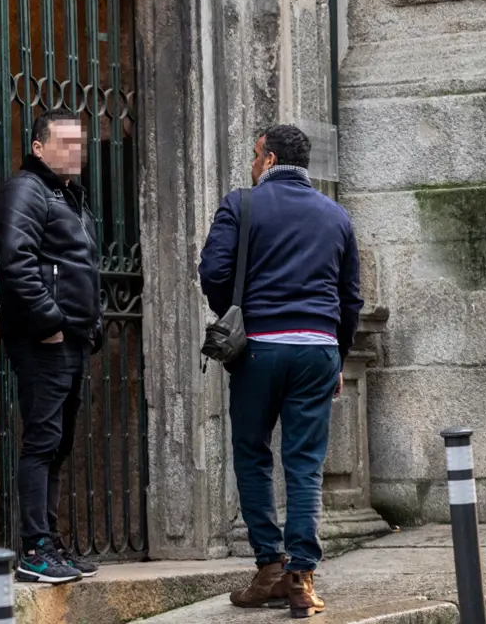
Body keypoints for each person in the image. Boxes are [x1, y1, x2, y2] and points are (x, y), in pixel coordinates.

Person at [198, 124, 363, 618]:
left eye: (254, 156)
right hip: (317, 350)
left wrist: (234, 311)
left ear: (268, 159)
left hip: (259, 349)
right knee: (304, 463)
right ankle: (302, 578)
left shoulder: (241, 204)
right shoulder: (336, 215)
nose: (252, 165)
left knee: (252, 454)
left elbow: (213, 272)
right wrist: (337, 352)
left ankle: (269, 566)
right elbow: (350, 296)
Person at [0, 107, 104, 584]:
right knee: (41, 442)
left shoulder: (71, 198)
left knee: (58, 444)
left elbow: (82, 268)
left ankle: (51, 544)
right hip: (45, 339)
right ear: (38, 148)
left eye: (78, 144)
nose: (73, 152)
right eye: (63, 143)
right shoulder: (27, 188)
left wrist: (92, 323)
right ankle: (34, 550)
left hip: (73, 338)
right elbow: (15, 262)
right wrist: (50, 322)